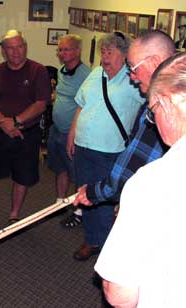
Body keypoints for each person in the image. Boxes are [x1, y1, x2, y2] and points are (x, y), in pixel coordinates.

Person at [95, 51, 186, 308]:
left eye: (153, 111)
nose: (153, 121)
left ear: (168, 103)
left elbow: (119, 294)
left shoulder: (152, 183)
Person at [74, 31, 175, 209]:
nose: (132, 77)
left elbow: (136, 161)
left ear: (154, 63)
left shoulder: (164, 107)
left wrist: (94, 193)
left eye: (134, 68)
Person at [67, 32, 144, 261]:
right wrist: (72, 133)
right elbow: (81, 105)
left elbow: (151, 108)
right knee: (85, 195)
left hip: (110, 151)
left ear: (124, 56)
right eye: (103, 52)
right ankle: (91, 240)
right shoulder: (95, 75)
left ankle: (110, 246)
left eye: (111, 52)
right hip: (83, 147)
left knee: (106, 199)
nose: (105, 57)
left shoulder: (134, 80)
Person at [0, 30, 51, 235]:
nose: (16, 52)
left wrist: (15, 121)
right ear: (4, 51)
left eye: (19, 46)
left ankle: (14, 215)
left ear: (25, 47)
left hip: (26, 134)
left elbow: (41, 104)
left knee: (21, 178)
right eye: (10, 48)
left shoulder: (38, 71)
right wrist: (3, 123)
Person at [46, 34, 91, 228]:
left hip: (72, 134)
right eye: (60, 49)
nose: (62, 53)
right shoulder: (62, 71)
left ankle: (80, 211)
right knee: (60, 169)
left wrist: (74, 133)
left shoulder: (86, 75)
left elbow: (88, 106)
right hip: (56, 130)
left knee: (78, 173)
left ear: (77, 51)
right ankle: (60, 203)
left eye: (66, 49)